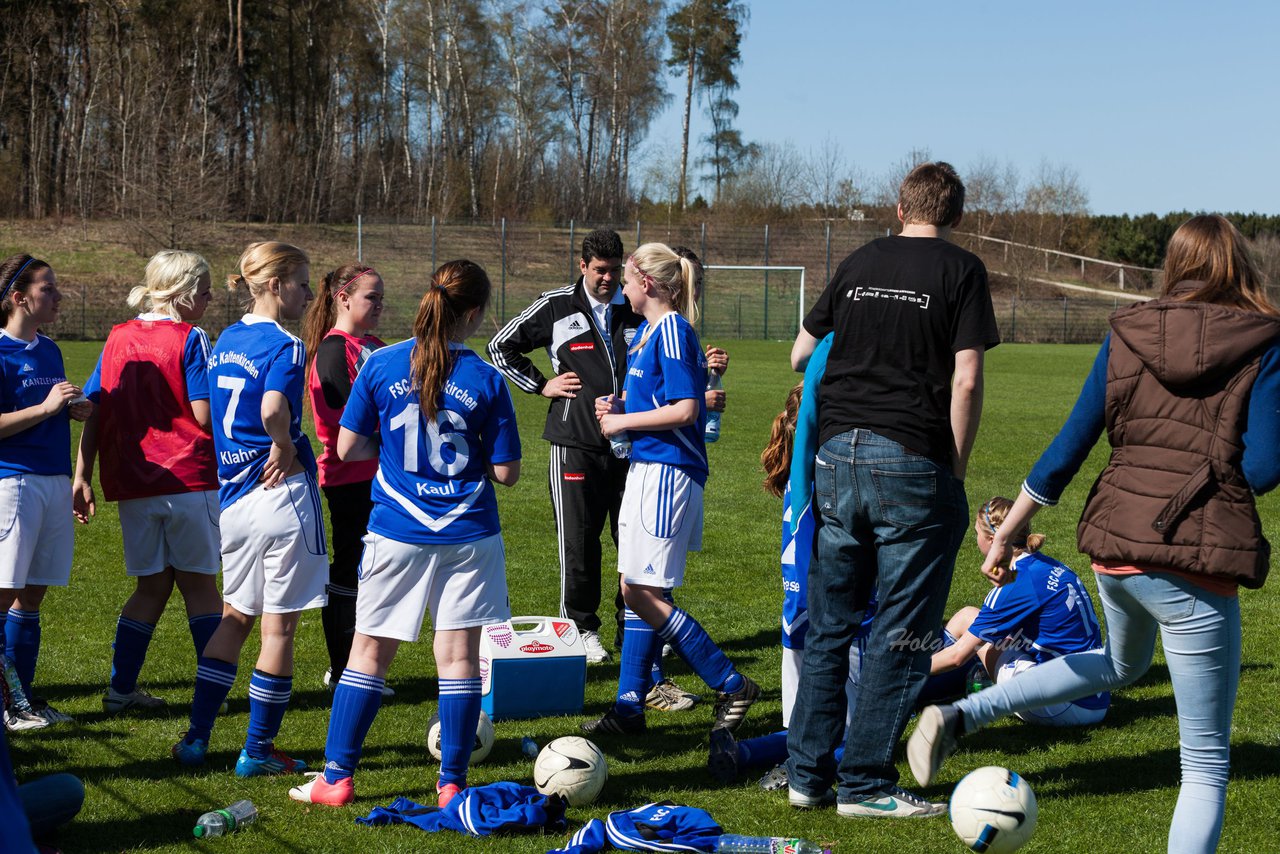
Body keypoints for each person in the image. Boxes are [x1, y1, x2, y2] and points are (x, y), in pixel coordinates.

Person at [909, 215, 1280, 854]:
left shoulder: (1128, 332)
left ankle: (962, 712)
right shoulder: (1265, 340)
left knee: (1119, 662)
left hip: (1116, 546)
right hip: (1194, 561)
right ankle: (962, 714)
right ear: (1239, 267)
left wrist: (1006, 535)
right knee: (1206, 766)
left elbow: (1067, 448)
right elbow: (1264, 467)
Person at [786, 161, 1000, 818]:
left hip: (835, 456)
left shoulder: (857, 261)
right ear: (955, 213)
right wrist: (956, 470)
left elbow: (800, 352)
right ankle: (866, 784)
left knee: (830, 625)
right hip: (910, 459)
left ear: (898, 206)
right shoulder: (961, 271)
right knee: (903, 631)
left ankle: (807, 777)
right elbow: (965, 381)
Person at [288, 260, 521, 809]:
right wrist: (466, 466)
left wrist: (395, 456)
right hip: (469, 530)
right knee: (459, 658)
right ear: (475, 313)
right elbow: (507, 473)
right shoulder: (487, 377)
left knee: (368, 653)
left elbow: (346, 448)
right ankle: (452, 784)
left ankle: (337, 777)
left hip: (397, 527)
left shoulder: (381, 362)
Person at [582, 242, 759, 736]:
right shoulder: (646, 336)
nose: (623, 285)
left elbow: (686, 409)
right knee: (637, 588)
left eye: (629, 278)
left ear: (650, 284)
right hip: (647, 469)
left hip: (667, 472)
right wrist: (617, 406)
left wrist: (622, 422)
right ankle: (630, 708)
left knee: (641, 591)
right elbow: (660, 401)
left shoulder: (675, 331)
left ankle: (728, 680)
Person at [171, 241, 325, 777]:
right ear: (276, 284)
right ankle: (256, 752)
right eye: (303, 283)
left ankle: (195, 738)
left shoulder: (225, 339)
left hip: (232, 496)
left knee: (234, 617)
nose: (309, 294)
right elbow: (274, 407)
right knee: (277, 630)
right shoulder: (288, 344)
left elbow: (212, 411)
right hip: (281, 493)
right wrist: (283, 445)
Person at [71, 250, 224, 714]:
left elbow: (93, 408)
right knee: (200, 586)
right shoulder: (191, 338)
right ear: (180, 295)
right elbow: (203, 414)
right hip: (187, 478)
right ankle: (211, 697)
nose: (211, 298)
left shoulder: (116, 337)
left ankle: (120, 691)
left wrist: (82, 473)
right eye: (203, 291)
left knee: (150, 587)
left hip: (133, 483)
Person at [487, 229, 637, 665]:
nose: (608, 279)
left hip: (633, 444)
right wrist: (541, 384)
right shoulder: (556, 305)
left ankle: (636, 626)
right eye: (600, 270)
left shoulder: (634, 308)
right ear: (583, 266)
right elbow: (500, 347)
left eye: (615, 270)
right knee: (580, 541)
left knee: (631, 542)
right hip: (574, 444)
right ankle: (582, 630)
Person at [0, 255, 91, 726]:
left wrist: (72, 409)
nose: (58, 297)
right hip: (13, 481)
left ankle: (25, 699)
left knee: (32, 594)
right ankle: (6, 703)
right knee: (4, 590)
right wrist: (44, 407)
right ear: (19, 298)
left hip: (53, 480)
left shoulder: (50, 350)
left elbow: (51, 405)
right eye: (48, 289)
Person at [928, 496, 1109, 727]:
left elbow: (957, 656)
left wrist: (906, 671)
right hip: (1096, 695)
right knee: (976, 624)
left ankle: (916, 688)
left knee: (970, 627)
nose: (975, 540)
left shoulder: (1015, 584)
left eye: (977, 533)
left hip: (1067, 706)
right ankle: (931, 682)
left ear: (993, 539)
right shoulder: (1050, 565)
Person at [301, 263, 393, 696]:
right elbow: (344, 426)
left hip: (385, 477)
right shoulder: (333, 352)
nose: (379, 305)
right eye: (371, 297)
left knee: (379, 572)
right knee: (352, 570)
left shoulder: (375, 346)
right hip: (350, 480)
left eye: (380, 297)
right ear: (343, 298)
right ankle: (343, 671)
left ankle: (365, 667)